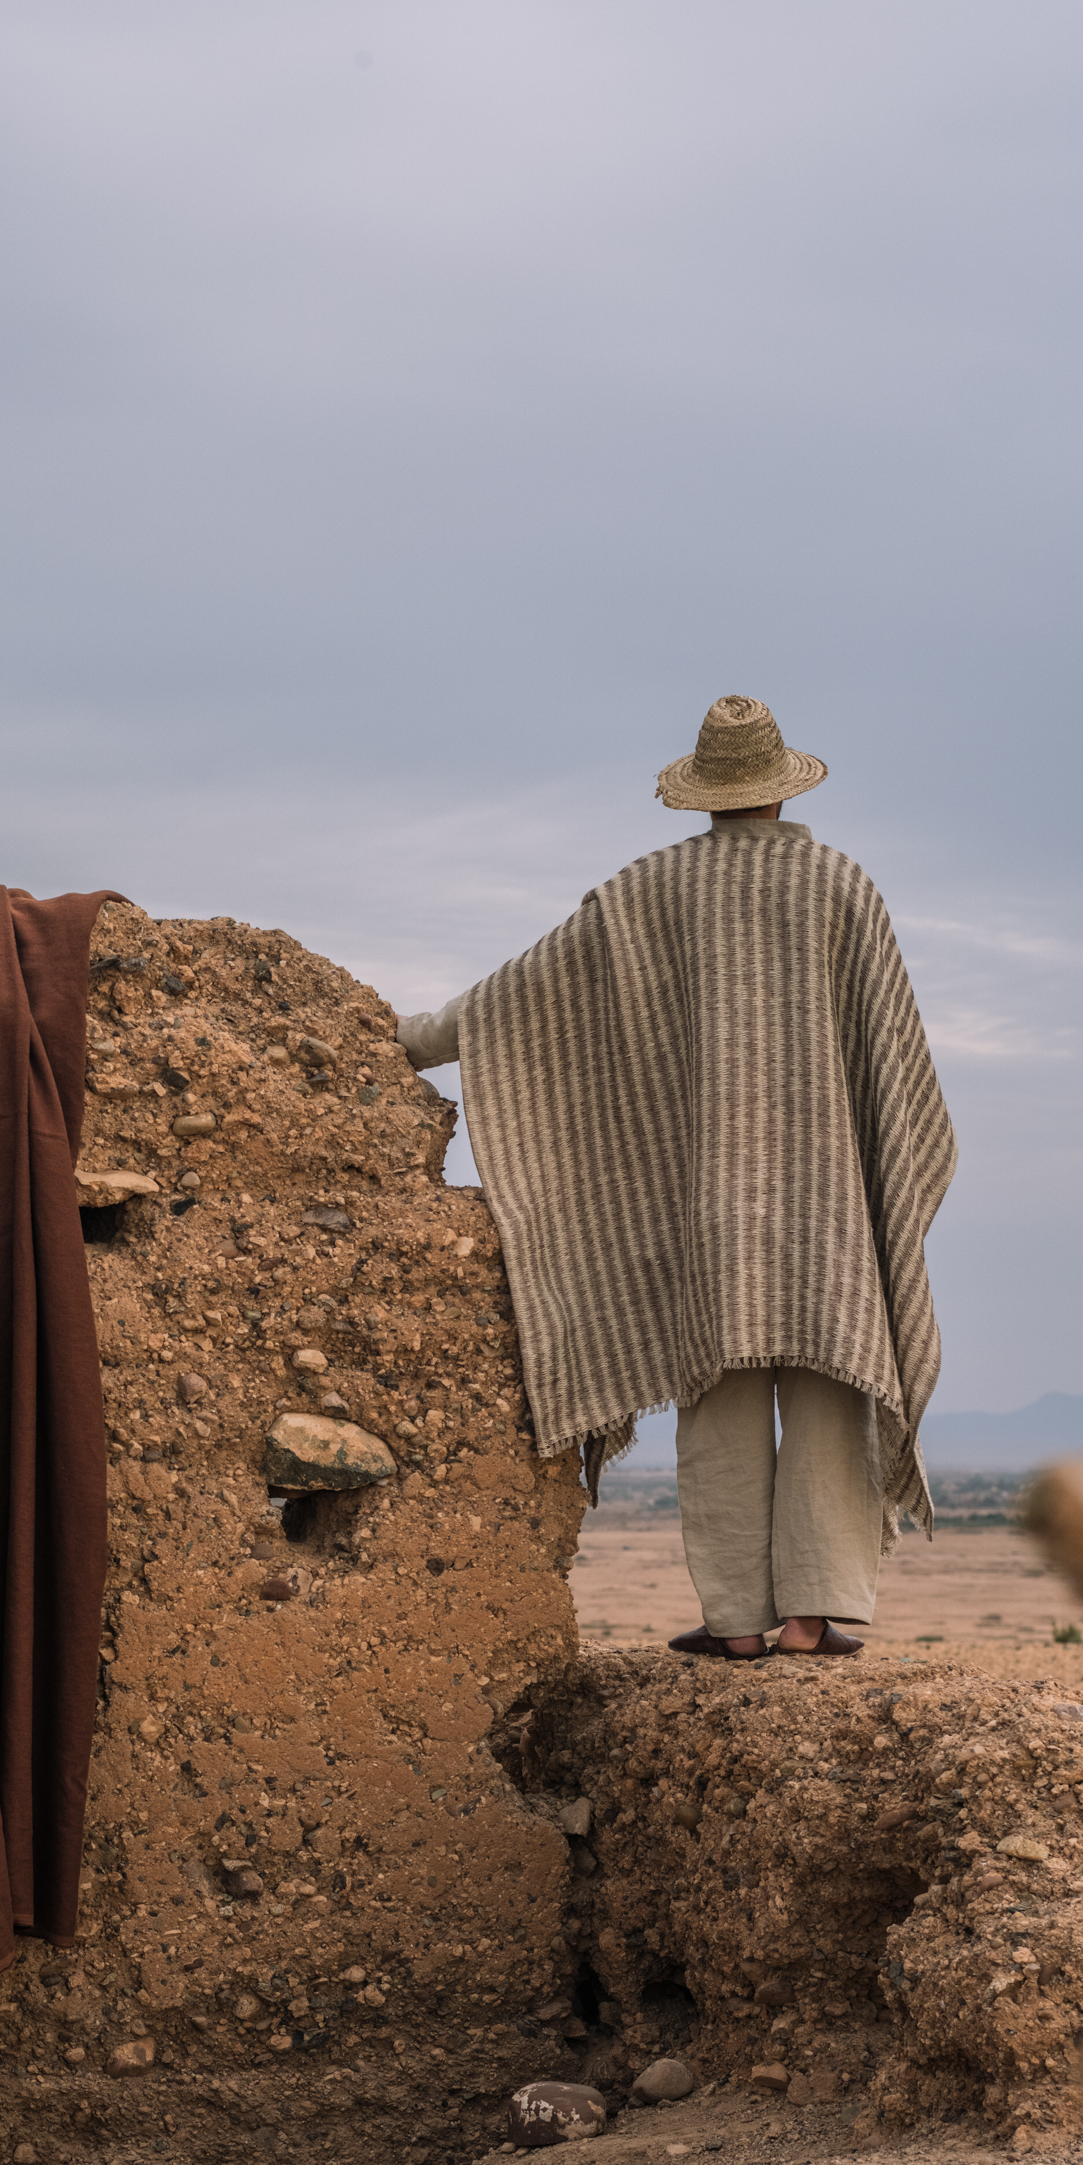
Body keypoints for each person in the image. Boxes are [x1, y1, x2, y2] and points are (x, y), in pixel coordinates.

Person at [398, 694, 954, 1662]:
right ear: (782, 791)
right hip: (827, 1200)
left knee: (720, 1399)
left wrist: (398, 1039)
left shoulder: (647, 892)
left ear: (704, 799)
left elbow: (517, 994)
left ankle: (737, 1622)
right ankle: (811, 1619)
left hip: (708, 1207)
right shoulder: (837, 883)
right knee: (832, 1389)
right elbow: (894, 1061)